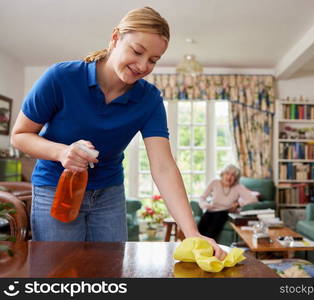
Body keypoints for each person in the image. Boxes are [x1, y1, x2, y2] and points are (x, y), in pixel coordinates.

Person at [10, 7, 225, 259]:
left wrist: (192, 233)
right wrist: (61, 152)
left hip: (108, 195)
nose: (143, 65)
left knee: (110, 274)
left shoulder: (149, 99)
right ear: (115, 38)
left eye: (154, 60)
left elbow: (163, 166)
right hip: (55, 190)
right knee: (60, 274)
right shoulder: (61, 77)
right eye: (137, 51)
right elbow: (20, 135)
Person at [198, 164, 258, 240]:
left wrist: (238, 204)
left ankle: (208, 245)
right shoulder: (214, 183)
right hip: (211, 210)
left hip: (225, 212)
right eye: (227, 174)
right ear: (222, 174)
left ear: (236, 178)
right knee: (202, 225)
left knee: (218, 218)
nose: (229, 177)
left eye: (233, 175)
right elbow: (202, 197)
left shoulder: (238, 187)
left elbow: (253, 199)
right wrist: (204, 204)